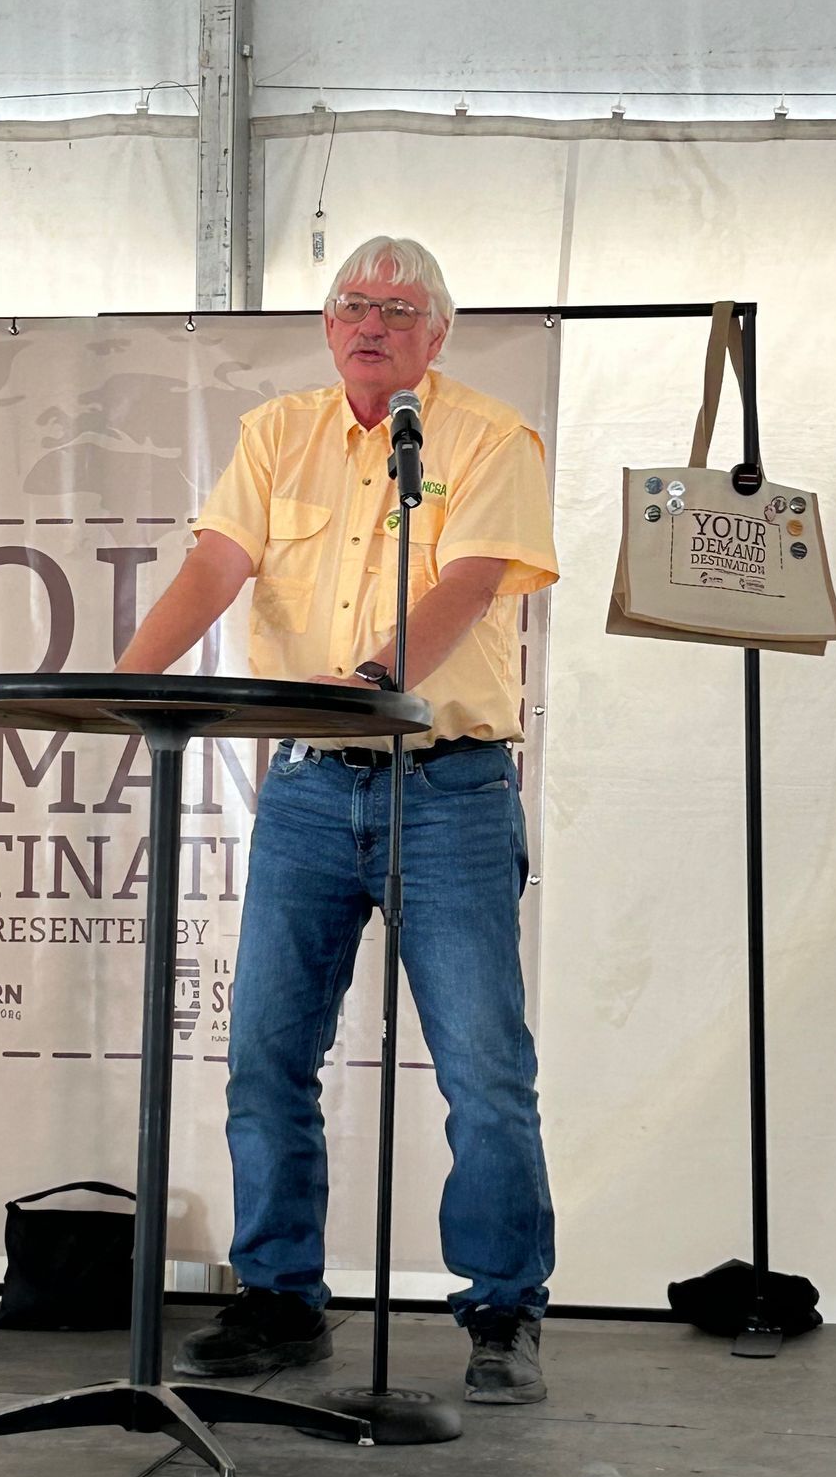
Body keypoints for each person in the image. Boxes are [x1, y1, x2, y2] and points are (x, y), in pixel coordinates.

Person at [115, 235, 558, 1402]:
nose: (372, 322)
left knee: (481, 1066)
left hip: (446, 784)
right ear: (326, 326)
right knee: (265, 1054)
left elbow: (465, 582)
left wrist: (377, 671)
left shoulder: (485, 438)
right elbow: (215, 567)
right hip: (309, 789)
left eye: (398, 308)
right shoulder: (278, 435)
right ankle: (280, 1301)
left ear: (438, 333)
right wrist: (126, 679)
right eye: (352, 304)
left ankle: (502, 1312)